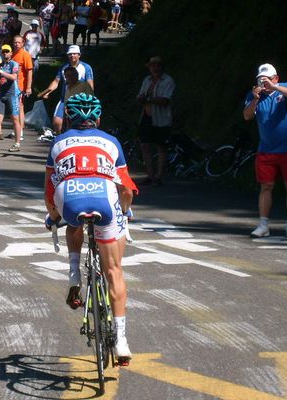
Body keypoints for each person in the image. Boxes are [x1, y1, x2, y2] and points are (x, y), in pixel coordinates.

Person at [44, 93, 137, 363]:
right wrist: (125, 211)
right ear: (98, 117)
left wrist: (52, 217)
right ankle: (121, 341)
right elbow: (126, 188)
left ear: (70, 118)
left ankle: (74, 270)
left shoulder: (58, 142)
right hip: (105, 197)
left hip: (69, 196)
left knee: (71, 219)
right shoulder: (111, 142)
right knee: (114, 271)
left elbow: (50, 191)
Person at [243, 63, 287, 238]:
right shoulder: (255, 96)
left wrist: (275, 87)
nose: (264, 82)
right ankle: (263, 224)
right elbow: (247, 116)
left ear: (276, 78)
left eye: (268, 78)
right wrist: (255, 98)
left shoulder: (286, 88)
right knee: (266, 186)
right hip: (266, 149)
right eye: (261, 79)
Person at [136, 56, 175, 186]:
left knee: (161, 146)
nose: (155, 68)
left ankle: (159, 176)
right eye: (153, 65)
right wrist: (142, 98)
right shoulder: (147, 80)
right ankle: (150, 175)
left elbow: (165, 100)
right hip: (147, 116)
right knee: (145, 145)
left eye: (157, 65)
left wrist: (148, 99)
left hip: (161, 118)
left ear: (161, 67)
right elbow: (141, 95)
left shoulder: (168, 81)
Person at [38, 44, 94, 134]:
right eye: (70, 54)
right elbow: (56, 82)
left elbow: (90, 84)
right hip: (65, 99)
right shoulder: (64, 67)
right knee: (57, 123)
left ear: (79, 55)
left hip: (80, 100)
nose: (72, 56)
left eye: (74, 54)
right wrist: (47, 92)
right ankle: (61, 140)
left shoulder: (86, 67)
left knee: (78, 124)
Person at [9, 35, 33, 141]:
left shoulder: (25, 55)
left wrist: (28, 87)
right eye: (15, 42)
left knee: (20, 107)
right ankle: (16, 128)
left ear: (23, 43)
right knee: (13, 108)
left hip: (20, 86)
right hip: (10, 86)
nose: (17, 44)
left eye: (19, 42)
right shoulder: (12, 54)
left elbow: (29, 71)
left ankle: (20, 131)